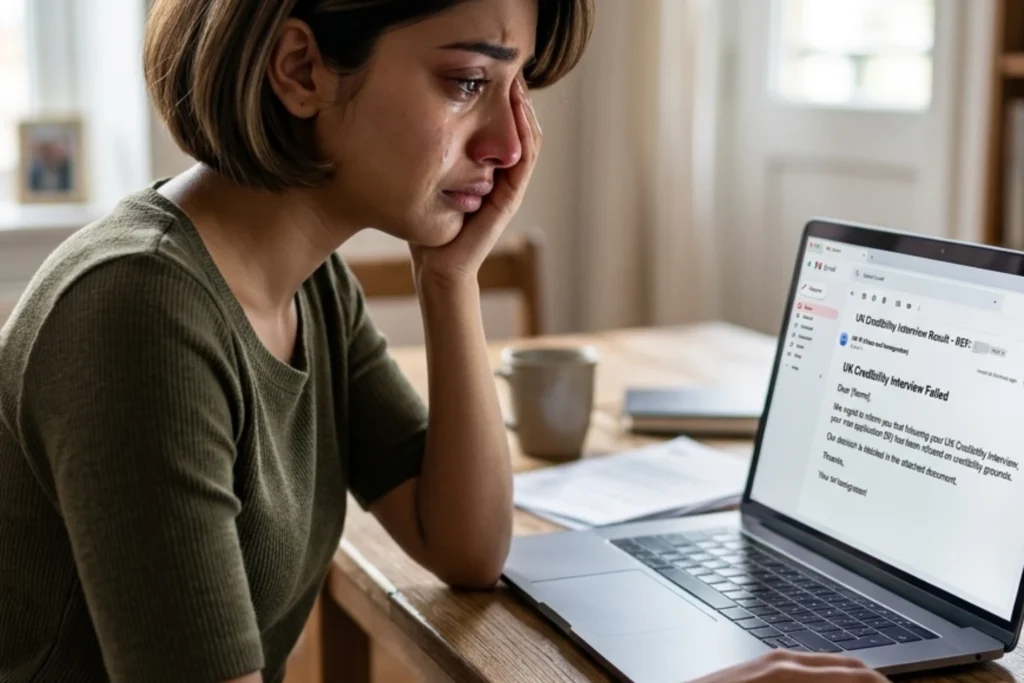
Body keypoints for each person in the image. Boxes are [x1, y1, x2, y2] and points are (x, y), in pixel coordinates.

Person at [0, 1, 891, 682]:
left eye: (519, 92)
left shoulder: (309, 282)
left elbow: (466, 543)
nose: (508, 144)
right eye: (468, 82)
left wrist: (449, 277)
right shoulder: (139, 311)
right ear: (300, 67)